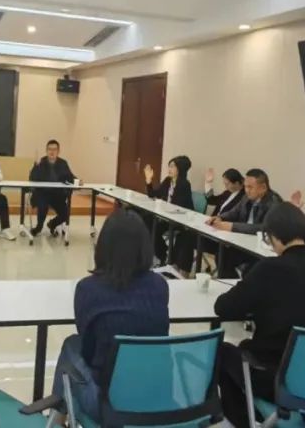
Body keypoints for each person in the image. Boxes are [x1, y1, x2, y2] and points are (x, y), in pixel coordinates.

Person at [214, 203, 305, 428]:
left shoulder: (269, 268)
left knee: (222, 352)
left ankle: (244, 420)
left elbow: (224, 308)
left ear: (274, 237)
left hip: (274, 374)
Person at [48, 210, 168, 424]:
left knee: (71, 345)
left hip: (108, 405)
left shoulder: (88, 288)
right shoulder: (159, 285)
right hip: (156, 397)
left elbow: (88, 344)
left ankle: (55, 420)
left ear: (103, 247)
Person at [143, 156, 196, 274]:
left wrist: (163, 206)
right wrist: (149, 180)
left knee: (155, 228)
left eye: (172, 166)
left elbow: (178, 206)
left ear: (180, 169)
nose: (169, 169)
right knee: (148, 223)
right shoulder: (168, 181)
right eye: (169, 166)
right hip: (166, 218)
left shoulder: (184, 184)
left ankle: (165, 257)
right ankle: (163, 254)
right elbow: (153, 194)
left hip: (180, 220)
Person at [209, 168, 283, 234]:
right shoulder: (246, 197)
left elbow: (264, 228)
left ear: (263, 188)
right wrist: (220, 217)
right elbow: (234, 212)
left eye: (250, 187)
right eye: (245, 186)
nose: (247, 190)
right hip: (242, 238)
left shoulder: (275, 203)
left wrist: (233, 226)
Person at [28, 139, 77, 237]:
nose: (52, 151)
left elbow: (70, 177)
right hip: (42, 194)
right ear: (46, 151)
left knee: (65, 213)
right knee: (43, 206)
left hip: (57, 195)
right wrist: (36, 166)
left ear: (58, 151)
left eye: (54, 149)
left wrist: (78, 181)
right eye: (50, 149)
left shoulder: (63, 163)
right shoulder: (41, 162)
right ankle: (38, 227)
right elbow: (32, 178)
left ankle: (52, 224)